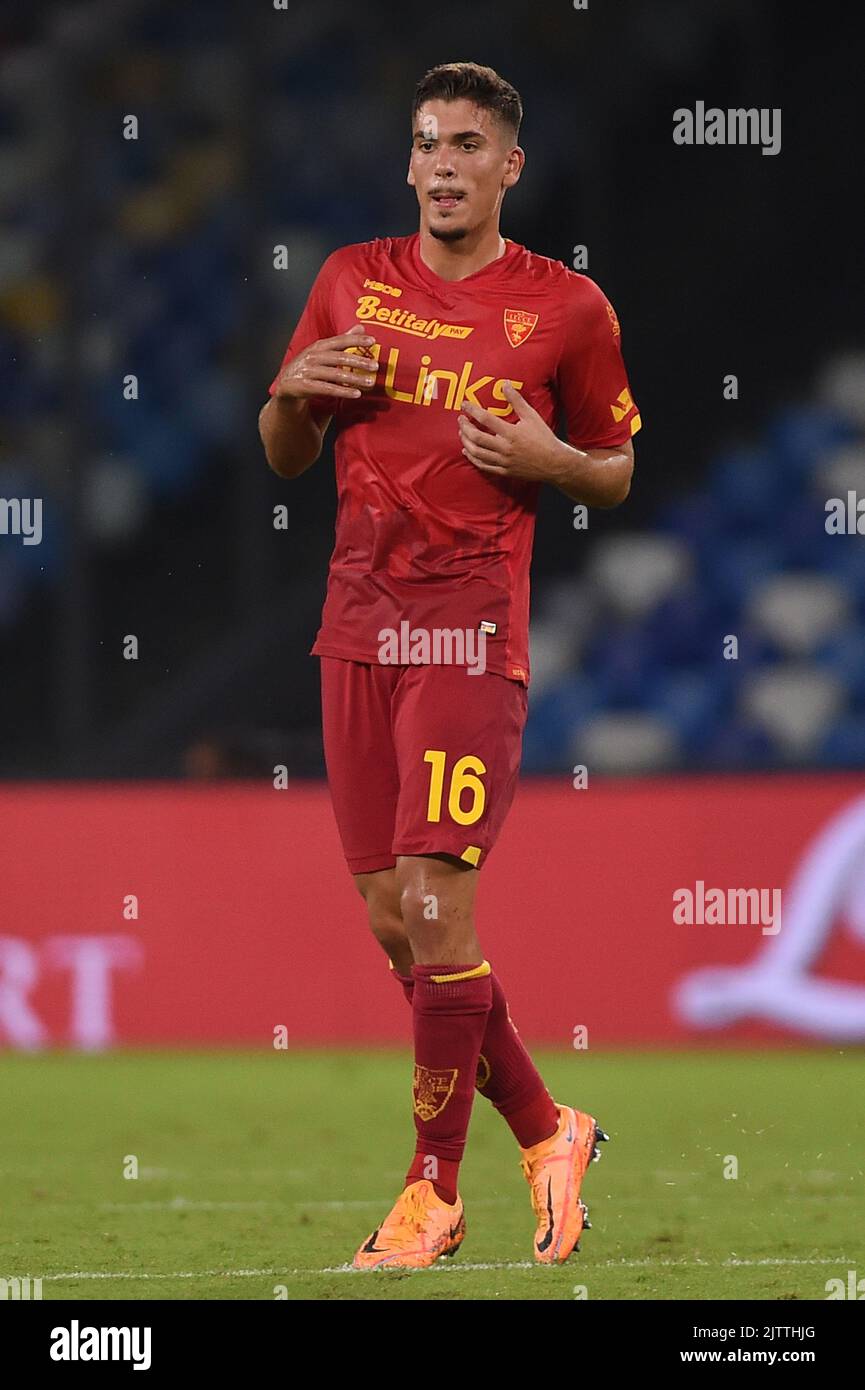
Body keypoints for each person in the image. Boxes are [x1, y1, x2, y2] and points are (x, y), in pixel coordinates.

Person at [259, 61, 640, 1269]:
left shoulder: (565, 309)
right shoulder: (348, 282)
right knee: (396, 922)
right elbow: (280, 454)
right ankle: (547, 1124)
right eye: (424, 143)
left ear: (508, 166)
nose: (439, 164)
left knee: (435, 906)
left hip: (467, 633)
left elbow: (614, 467)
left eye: (465, 145)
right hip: (354, 625)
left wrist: (548, 454)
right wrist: (293, 397)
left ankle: (433, 1193)